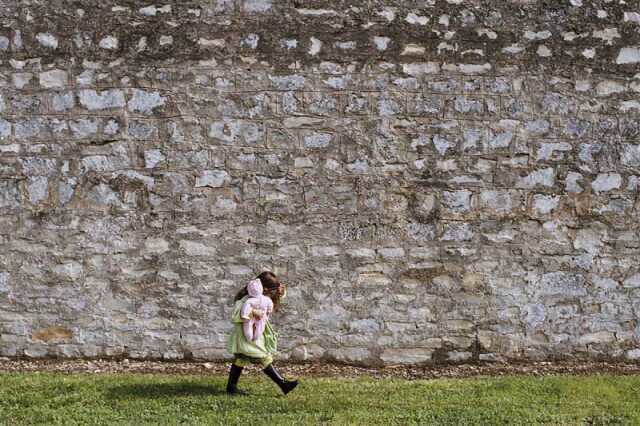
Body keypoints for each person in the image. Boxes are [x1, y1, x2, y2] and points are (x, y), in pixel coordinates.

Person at [226, 271, 299, 396]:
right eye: (271, 291)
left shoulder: (262, 297)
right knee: (264, 357)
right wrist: (253, 312)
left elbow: (278, 295)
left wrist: (281, 288)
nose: (272, 294)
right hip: (247, 336)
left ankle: (231, 387)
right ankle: (283, 384)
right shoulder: (246, 300)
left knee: (241, 359)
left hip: (254, 335)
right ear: (265, 289)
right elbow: (236, 316)